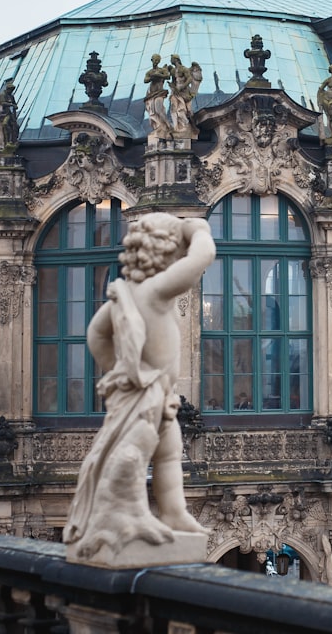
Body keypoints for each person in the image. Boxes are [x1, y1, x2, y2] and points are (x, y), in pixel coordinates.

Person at [64, 213, 215, 559]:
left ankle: (174, 512)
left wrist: (118, 369)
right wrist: (199, 229)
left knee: (168, 450)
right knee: (145, 450)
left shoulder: (126, 293)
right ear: (166, 252)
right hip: (147, 391)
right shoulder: (155, 290)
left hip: (151, 391)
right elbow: (203, 257)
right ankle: (124, 515)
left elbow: (95, 335)